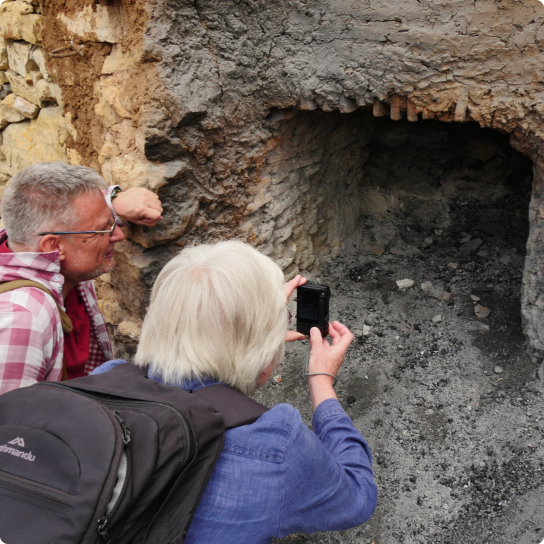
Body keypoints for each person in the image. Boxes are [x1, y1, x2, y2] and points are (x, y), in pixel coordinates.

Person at [94, 241, 377, 542]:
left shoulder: (106, 377)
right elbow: (358, 496)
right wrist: (321, 379)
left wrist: (250, 330)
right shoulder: (276, 447)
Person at [0, 162, 163, 394]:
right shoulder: (21, 319)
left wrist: (115, 200)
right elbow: (12, 415)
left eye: (112, 222)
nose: (118, 235)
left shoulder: (39, 249)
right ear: (54, 247)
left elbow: (79, 216)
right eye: (105, 228)